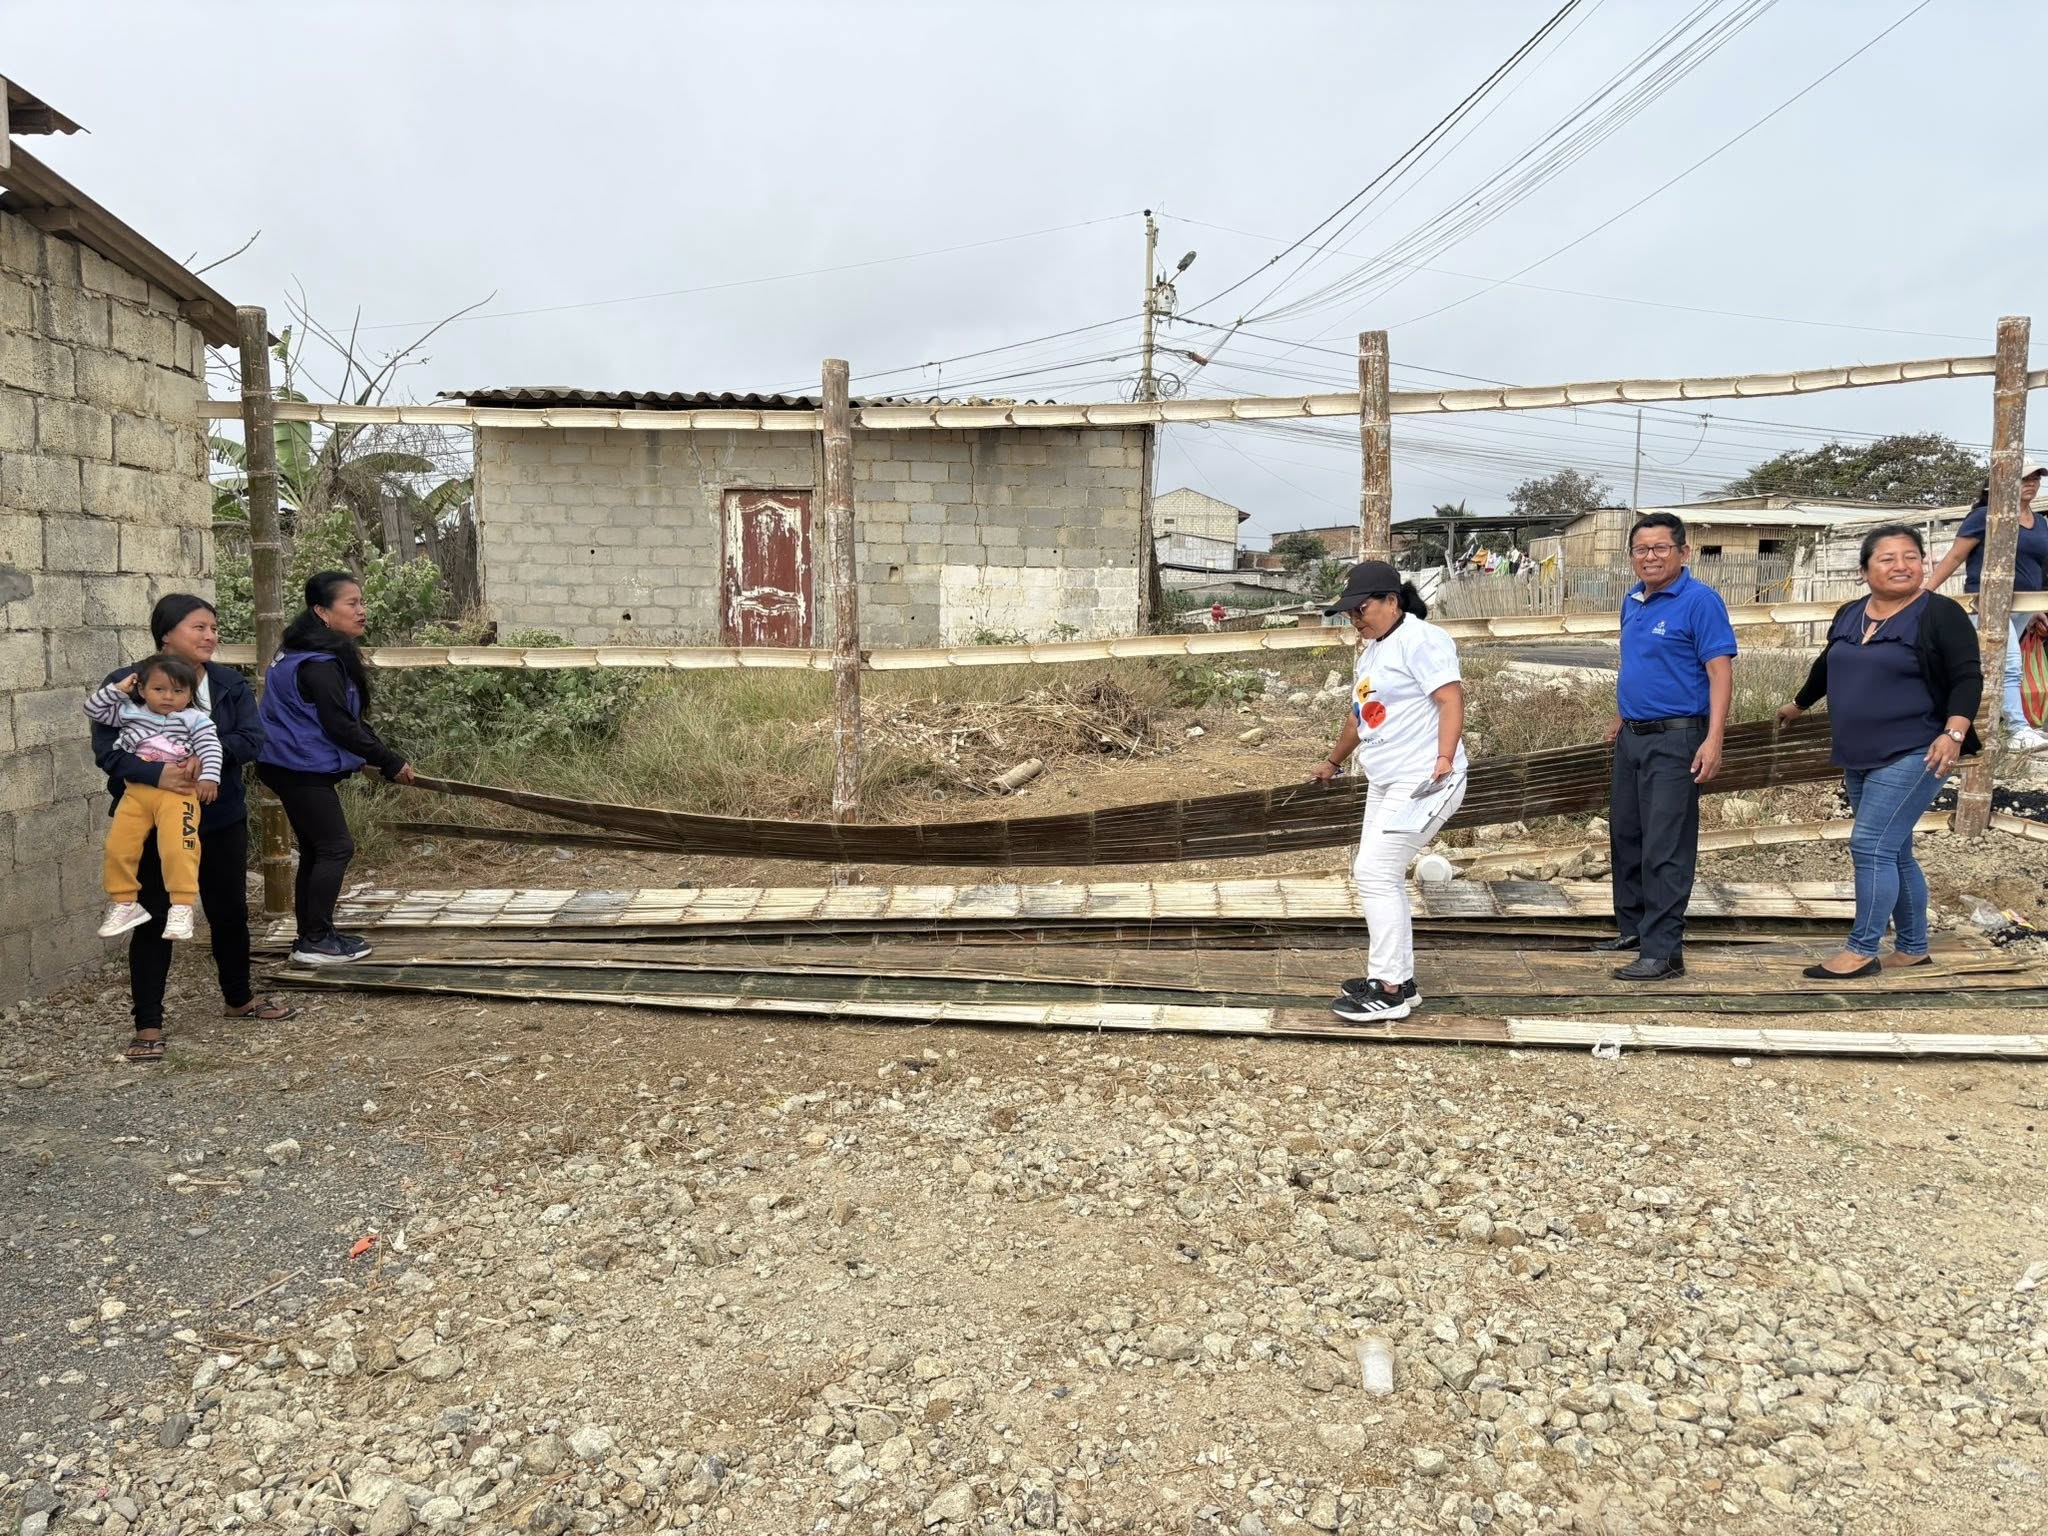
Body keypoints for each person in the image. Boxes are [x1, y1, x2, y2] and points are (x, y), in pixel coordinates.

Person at [91, 594, 289, 1065]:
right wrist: (156, 773)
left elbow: (252, 738)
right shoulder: (130, 683)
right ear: (166, 633)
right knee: (153, 913)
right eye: (199, 627)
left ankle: (238, 998)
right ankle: (148, 1024)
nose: (210, 636)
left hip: (218, 814)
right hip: (149, 817)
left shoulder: (226, 683)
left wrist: (200, 753)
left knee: (228, 910)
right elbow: (106, 750)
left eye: (213, 628)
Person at [1778, 526, 1980, 977]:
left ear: (1924, 564)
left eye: (1911, 556)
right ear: (1864, 570)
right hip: (1857, 753)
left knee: (1869, 845)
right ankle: (1912, 948)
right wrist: (1799, 704)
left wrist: (1953, 732)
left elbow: (1967, 677)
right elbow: (1828, 664)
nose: (1901, 565)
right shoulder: (1850, 613)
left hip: (1916, 750)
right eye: (1888, 558)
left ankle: (1862, 950)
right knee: (1895, 850)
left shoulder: (1940, 613)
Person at [1308, 560, 1469, 1023]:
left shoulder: (1422, 639)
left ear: (1391, 601)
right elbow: (1359, 715)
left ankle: (1388, 989)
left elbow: (1450, 699)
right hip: (1385, 779)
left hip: (1424, 778)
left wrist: (1443, 758)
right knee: (1381, 874)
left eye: (1361, 609)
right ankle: (1401, 978)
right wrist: (1333, 761)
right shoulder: (1373, 651)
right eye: (1348, 613)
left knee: (1375, 872)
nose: (1354, 619)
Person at [1598, 512, 1736, 981]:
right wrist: (1624, 715)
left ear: (1683, 552)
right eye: (1641, 549)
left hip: (1677, 739)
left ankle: (1664, 952)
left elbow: (1719, 672)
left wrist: (1714, 738)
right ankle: (1634, 930)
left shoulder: (1700, 601)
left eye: (1660, 548)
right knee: (1628, 836)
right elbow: (1642, 663)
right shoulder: (1633, 600)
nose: (1650, 557)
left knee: (1666, 844)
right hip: (1634, 738)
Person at [256, 571, 414, 965]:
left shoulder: (304, 651)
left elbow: (346, 718)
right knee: (335, 847)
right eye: (352, 603)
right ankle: (314, 940)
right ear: (322, 612)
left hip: (288, 762)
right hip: (298, 767)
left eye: (362, 602)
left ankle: (315, 934)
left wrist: (383, 755)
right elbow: (340, 725)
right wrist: (389, 761)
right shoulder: (318, 663)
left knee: (316, 849)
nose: (362, 611)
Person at [85, 654, 222, 940]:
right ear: (142, 689)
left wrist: (209, 777)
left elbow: (211, 747)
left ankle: (182, 905)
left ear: (190, 694)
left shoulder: (195, 719)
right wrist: (118, 689)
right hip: (136, 793)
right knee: (118, 847)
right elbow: (93, 709)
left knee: (178, 847)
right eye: (159, 689)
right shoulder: (129, 712)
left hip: (178, 794)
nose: (168, 697)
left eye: (178, 691)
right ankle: (125, 902)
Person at [1923, 461, 2048, 753]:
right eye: (2024, 478)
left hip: (2024, 606)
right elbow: (1955, 557)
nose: (2031, 483)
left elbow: (2036, 566)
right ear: (2002, 482)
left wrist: (2036, 607)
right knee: (2009, 664)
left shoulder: (2040, 522)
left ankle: (1988, 725)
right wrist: (1925, 592)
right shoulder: (1985, 516)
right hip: (1989, 603)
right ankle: (2017, 729)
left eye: (2035, 478)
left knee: (1994, 667)